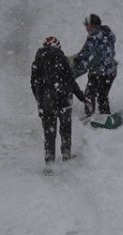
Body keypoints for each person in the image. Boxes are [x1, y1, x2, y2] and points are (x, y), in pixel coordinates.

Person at [31, 36, 86, 170]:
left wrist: (40, 101)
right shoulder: (62, 59)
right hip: (64, 100)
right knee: (65, 128)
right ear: (58, 47)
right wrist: (82, 97)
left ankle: (49, 164)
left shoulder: (37, 61)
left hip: (47, 102)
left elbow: (34, 84)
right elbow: (71, 81)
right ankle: (66, 154)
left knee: (49, 133)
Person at [71, 13, 117, 119]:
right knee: (103, 95)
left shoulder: (94, 35)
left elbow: (87, 50)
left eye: (87, 25)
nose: (86, 28)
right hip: (111, 71)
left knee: (89, 93)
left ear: (92, 25)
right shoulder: (106, 32)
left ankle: (89, 115)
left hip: (99, 71)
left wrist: (78, 59)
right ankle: (105, 115)